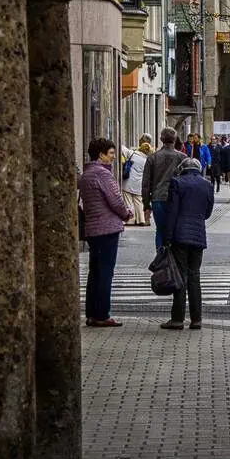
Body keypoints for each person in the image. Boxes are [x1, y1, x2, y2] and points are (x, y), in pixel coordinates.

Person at [78, 137, 131, 327]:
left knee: (95, 272)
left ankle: (92, 312)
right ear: (101, 155)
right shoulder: (103, 175)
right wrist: (127, 214)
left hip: (93, 228)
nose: (113, 157)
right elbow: (116, 201)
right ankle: (102, 313)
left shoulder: (86, 174)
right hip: (107, 228)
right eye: (110, 153)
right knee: (105, 273)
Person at [161, 157, 215, 331]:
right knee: (194, 276)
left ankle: (177, 319)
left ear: (182, 169)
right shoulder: (207, 185)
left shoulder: (177, 183)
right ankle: (196, 319)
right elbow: (207, 212)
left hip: (179, 236)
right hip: (198, 236)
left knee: (180, 277)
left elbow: (172, 212)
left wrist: (166, 238)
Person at [142, 127, 188, 251]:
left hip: (158, 198)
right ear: (175, 139)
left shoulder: (152, 158)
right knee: (175, 229)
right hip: (177, 199)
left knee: (161, 230)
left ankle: (161, 259)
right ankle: (173, 260)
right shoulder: (182, 158)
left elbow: (146, 183)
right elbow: (187, 181)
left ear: (161, 139)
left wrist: (146, 204)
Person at [122, 136, 153, 227]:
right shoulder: (147, 160)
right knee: (139, 201)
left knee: (128, 201)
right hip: (139, 184)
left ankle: (130, 220)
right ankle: (141, 219)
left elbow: (122, 148)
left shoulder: (132, 154)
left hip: (128, 182)